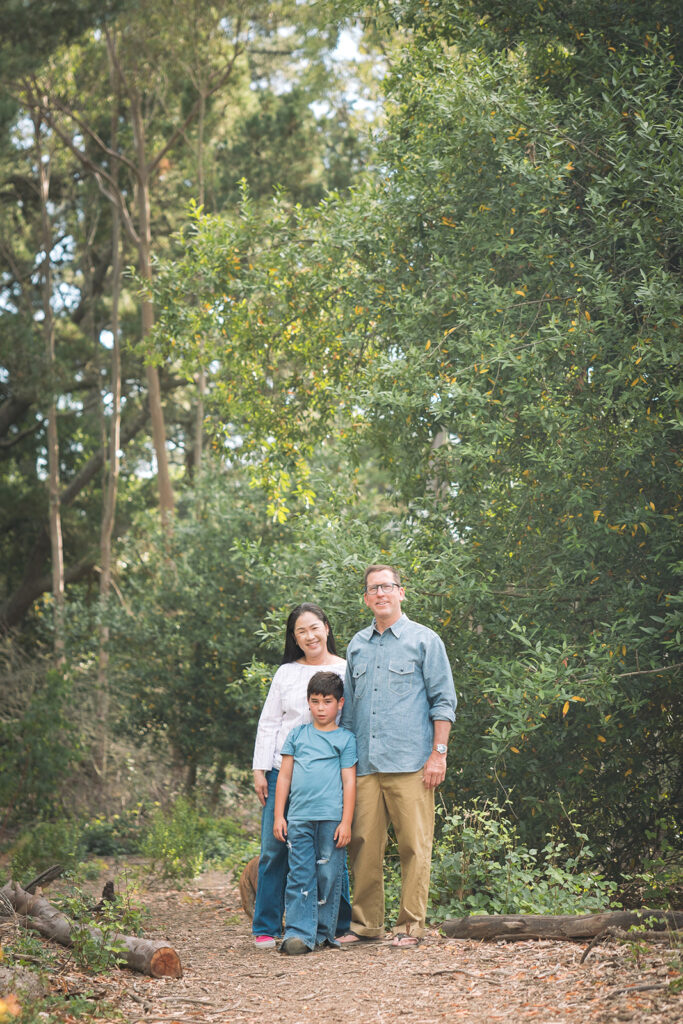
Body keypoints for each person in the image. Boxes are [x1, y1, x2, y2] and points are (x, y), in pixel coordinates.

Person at [340, 564, 456, 948]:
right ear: (366, 598)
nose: (380, 594)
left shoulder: (424, 641)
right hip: (367, 765)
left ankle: (410, 927)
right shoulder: (356, 645)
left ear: (401, 592)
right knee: (363, 846)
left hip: (412, 764)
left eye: (387, 586)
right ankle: (366, 925)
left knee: (414, 846)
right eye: (373, 589)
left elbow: (444, 702)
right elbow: (350, 712)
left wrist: (438, 755)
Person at [251, 602, 350, 949]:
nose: (309, 636)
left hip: (327, 774)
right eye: (300, 632)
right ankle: (266, 924)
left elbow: (349, 722)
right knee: (274, 847)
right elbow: (269, 723)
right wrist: (260, 769)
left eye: (314, 627)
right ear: (294, 638)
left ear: (326, 627)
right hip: (284, 771)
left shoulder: (345, 668)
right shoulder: (286, 672)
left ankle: (336, 923)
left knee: (333, 845)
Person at [273, 671, 357, 955]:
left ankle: (323, 933)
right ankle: (298, 934)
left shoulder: (345, 739)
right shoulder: (297, 735)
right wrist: (278, 816)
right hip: (298, 817)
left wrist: (346, 821)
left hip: (332, 819)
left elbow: (349, 781)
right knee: (299, 875)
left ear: (340, 703)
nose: (321, 708)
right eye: (315, 701)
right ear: (308, 702)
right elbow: (284, 777)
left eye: (327, 702)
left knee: (328, 874)